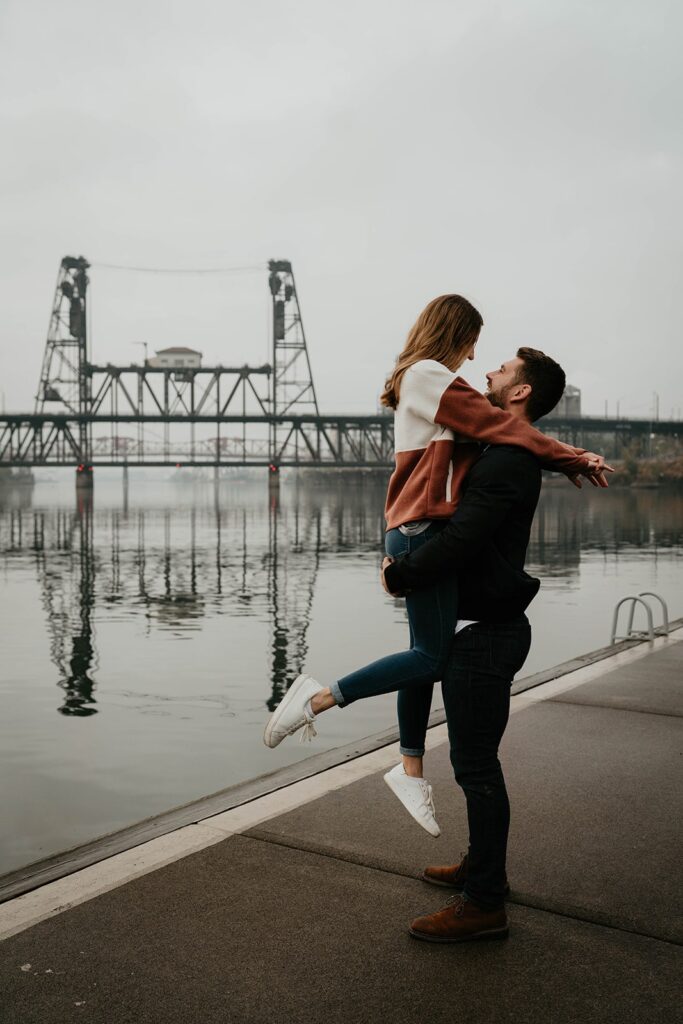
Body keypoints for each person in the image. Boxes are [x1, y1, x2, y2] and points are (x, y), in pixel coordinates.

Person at [263, 296, 607, 837]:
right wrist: (574, 457)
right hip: (420, 526)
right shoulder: (425, 375)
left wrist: (569, 456)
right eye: (472, 343)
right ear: (454, 332)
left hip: (424, 525)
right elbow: (504, 426)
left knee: (426, 651)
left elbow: (505, 428)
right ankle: (319, 699)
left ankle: (410, 768)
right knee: (430, 656)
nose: (475, 357)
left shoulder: (442, 385)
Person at [379, 347, 607, 942]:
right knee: (473, 765)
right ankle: (482, 871)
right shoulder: (504, 449)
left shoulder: (506, 459)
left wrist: (399, 576)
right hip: (487, 628)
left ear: (521, 393)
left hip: (492, 635)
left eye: (500, 370)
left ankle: (483, 903)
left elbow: (464, 539)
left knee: (476, 769)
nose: (486, 374)